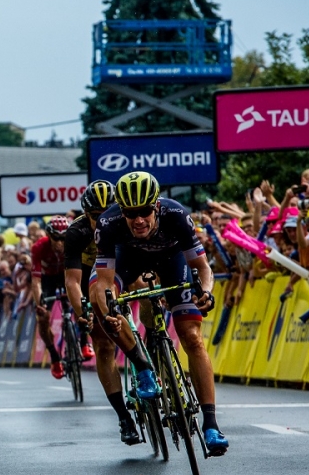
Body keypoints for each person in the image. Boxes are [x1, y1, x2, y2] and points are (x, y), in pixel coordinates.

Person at [90, 171, 227, 456]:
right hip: (127, 260)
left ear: (156, 206)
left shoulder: (176, 215)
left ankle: (211, 424)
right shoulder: (108, 222)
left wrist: (206, 291)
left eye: (144, 212)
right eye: (130, 213)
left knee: (192, 338)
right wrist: (111, 311)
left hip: (171, 261)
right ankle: (143, 367)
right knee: (100, 301)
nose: (138, 220)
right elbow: (104, 281)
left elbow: (202, 267)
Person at [64, 180, 140, 445]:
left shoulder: (127, 221)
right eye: (96, 216)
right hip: (90, 277)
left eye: (107, 212)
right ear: (86, 214)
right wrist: (81, 309)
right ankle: (123, 417)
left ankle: (156, 359)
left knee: (149, 295)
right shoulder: (76, 232)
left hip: (122, 267)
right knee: (103, 346)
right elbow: (73, 280)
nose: (102, 220)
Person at [30, 215, 70, 379]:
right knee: (43, 318)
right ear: (48, 235)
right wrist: (40, 303)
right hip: (47, 280)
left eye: (63, 238)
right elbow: (36, 281)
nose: (60, 243)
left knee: (83, 303)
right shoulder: (39, 247)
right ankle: (54, 356)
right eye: (56, 238)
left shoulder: (73, 243)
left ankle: (83, 341)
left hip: (67, 276)